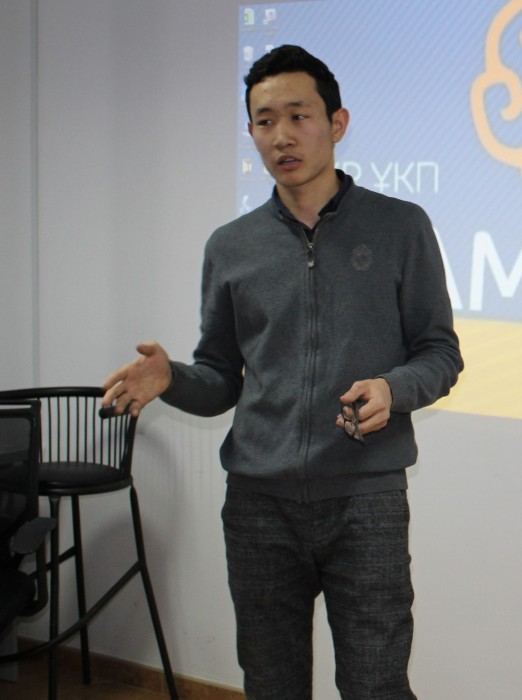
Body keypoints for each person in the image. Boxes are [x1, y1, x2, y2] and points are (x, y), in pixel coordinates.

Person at [103, 45, 463, 700]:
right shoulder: (231, 246)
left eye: (299, 116)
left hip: (365, 498)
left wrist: (394, 388)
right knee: (270, 685)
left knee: (377, 685)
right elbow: (220, 376)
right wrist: (173, 379)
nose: (282, 136)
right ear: (251, 133)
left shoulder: (400, 227)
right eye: (265, 121)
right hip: (258, 506)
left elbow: (440, 352)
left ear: (337, 123)